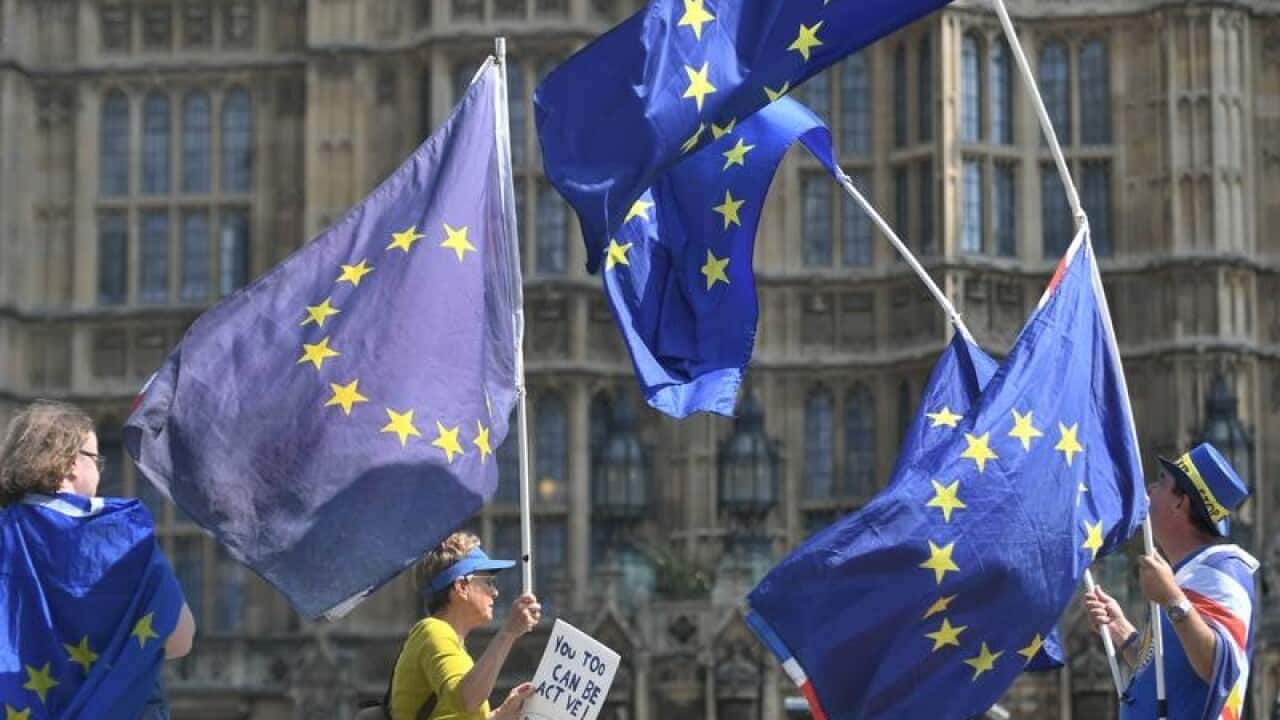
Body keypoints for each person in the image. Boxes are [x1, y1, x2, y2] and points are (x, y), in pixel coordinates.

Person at [0, 400, 196, 716]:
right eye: (95, 459)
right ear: (70, 463)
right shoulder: (123, 534)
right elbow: (180, 638)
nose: (99, 472)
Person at [1085, 442, 1259, 720]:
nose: (1151, 488)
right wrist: (1121, 631)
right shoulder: (1187, 574)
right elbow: (1165, 672)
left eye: (1162, 481)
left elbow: (1218, 667)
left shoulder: (1222, 570)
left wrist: (1172, 598)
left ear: (1181, 502)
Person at [387, 531, 541, 720]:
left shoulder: (446, 639)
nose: (495, 592)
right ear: (461, 587)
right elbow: (467, 700)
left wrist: (502, 714)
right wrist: (508, 632)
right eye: (488, 582)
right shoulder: (433, 631)